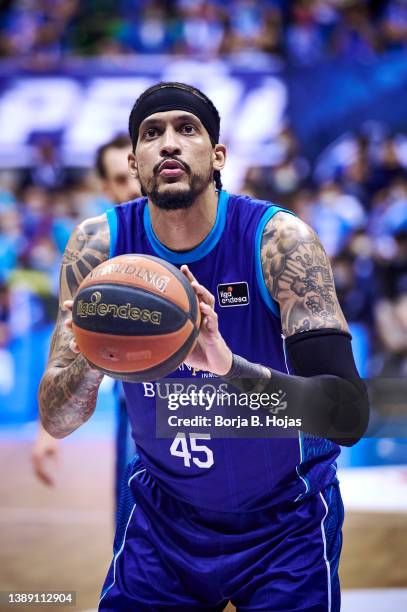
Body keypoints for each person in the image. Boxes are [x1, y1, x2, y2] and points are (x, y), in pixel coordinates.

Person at [38, 82, 369, 611]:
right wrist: (94, 350)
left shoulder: (279, 242)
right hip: (163, 522)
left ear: (217, 156)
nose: (168, 143)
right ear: (134, 160)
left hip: (285, 521)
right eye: (152, 133)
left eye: (186, 129)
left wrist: (227, 365)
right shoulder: (97, 249)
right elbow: (57, 418)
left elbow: (348, 416)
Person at [33, 135, 140, 503]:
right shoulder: (95, 248)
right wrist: (49, 431)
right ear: (107, 187)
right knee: (133, 522)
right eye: (121, 178)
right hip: (138, 402)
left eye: (136, 171)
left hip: (211, 404)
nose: (134, 185)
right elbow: (67, 334)